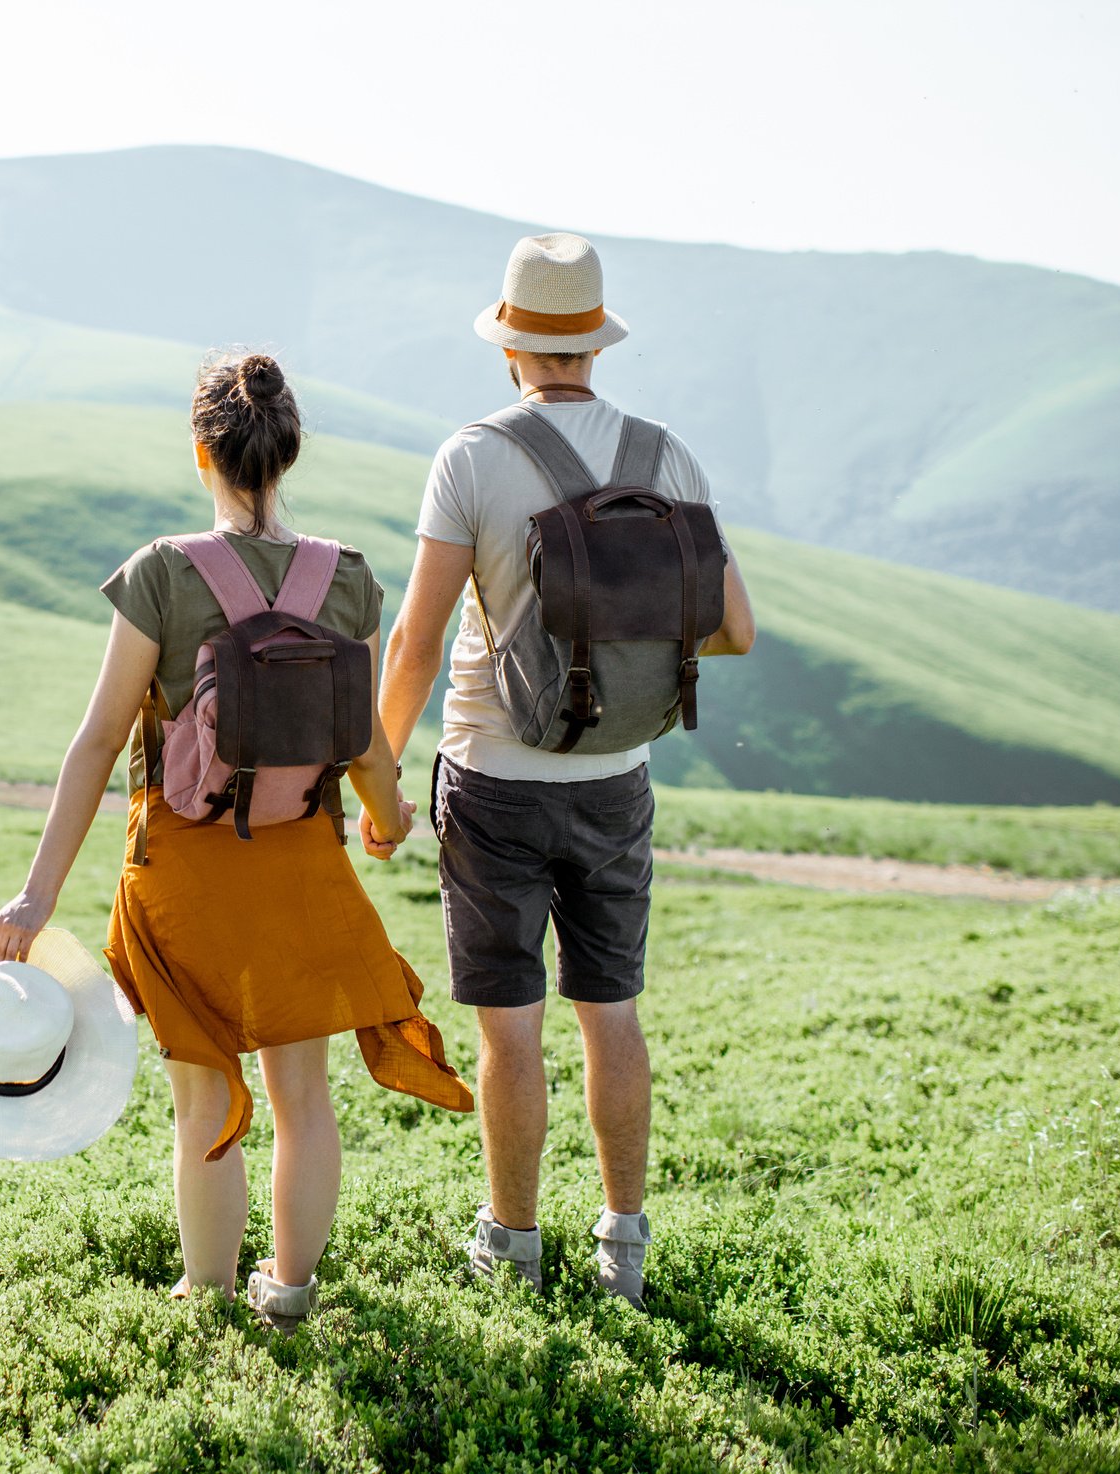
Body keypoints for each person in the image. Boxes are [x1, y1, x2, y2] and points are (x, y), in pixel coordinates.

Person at [0, 351, 473, 1331]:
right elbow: (368, 747)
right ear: (290, 451)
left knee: (205, 1099)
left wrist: (36, 898)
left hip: (183, 873)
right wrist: (385, 820)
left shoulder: (162, 575)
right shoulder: (347, 582)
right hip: (301, 866)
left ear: (201, 449)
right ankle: (287, 1292)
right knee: (304, 1099)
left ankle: (205, 1296)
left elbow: (95, 743)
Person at [375, 233, 756, 1305]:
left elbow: (415, 641)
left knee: (511, 1026)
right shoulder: (666, 456)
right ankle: (624, 1249)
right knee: (613, 1012)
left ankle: (512, 1246)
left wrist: (381, 779)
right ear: (594, 343)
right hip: (617, 780)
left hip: (492, 780)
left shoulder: (474, 456)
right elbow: (732, 630)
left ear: (509, 345)